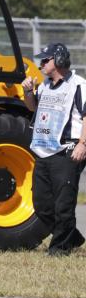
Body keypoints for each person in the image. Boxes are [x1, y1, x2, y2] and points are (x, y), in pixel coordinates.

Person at [22, 42, 86, 256]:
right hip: (44, 151)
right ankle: (71, 236)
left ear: (58, 61)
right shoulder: (44, 86)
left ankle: (60, 249)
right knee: (41, 204)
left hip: (68, 151)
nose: (41, 64)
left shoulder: (78, 85)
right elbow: (32, 107)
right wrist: (28, 92)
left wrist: (83, 144)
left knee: (63, 205)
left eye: (45, 60)